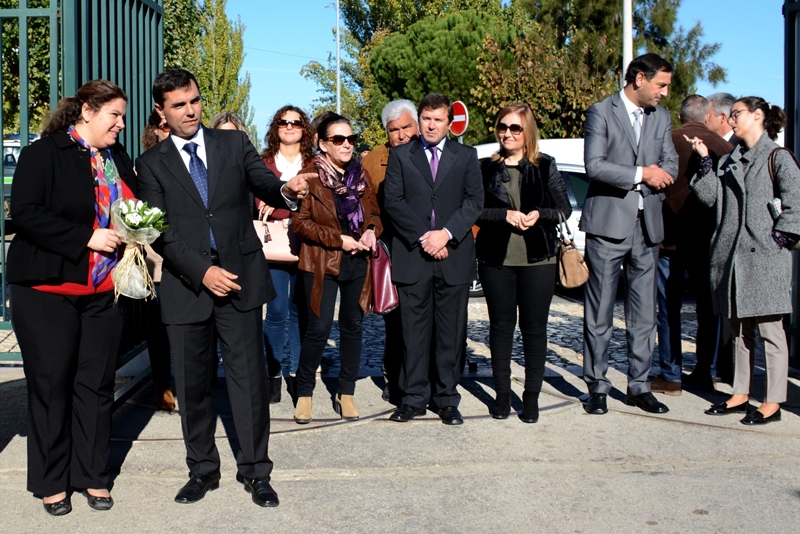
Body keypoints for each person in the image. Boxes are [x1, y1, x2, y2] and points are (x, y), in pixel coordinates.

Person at [136, 69, 310, 508]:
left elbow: (264, 183)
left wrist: (287, 190)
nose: (191, 110)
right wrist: (202, 272)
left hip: (240, 280)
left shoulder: (232, 144)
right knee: (192, 386)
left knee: (249, 381)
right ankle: (202, 470)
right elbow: (158, 230)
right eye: (179, 105)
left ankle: (257, 472)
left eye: (194, 100)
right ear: (162, 111)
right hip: (188, 283)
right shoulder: (151, 163)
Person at [7, 79, 138, 515]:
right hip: (47, 291)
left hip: (104, 291)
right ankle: (51, 481)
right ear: (86, 111)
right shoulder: (43, 153)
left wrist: (139, 231)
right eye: (114, 115)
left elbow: (136, 206)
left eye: (122, 115)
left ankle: (93, 476)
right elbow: (24, 213)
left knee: (96, 385)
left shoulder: (117, 158)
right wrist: (86, 237)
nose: (121, 123)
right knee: (51, 387)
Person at [687, 96, 800, 425]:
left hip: (765, 258)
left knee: (770, 333)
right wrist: (706, 162)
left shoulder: (778, 158)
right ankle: (739, 393)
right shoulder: (728, 159)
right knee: (737, 331)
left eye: (736, 114)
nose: (731, 119)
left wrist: (780, 238)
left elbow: (796, 202)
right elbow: (709, 198)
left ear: (758, 116)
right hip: (731, 258)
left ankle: (773, 402)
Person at [581, 53, 678, 416]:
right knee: (600, 312)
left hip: (647, 228)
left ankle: (639, 385)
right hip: (608, 226)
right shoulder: (601, 112)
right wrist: (642, 174)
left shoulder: (661, 117)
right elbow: (595, 165)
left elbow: (670, 163)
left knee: (644, 315)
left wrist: (657, 174)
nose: (665, 93)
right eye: (661, 85)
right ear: (639, 79)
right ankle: (597, 386)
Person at [383, 93, 483, 425]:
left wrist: (446, 234)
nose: (431, 125)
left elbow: (473, 201)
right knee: (413, 332)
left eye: (438, 119)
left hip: (453, 255)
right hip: (414, 255)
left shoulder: (466, 156)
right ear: (420, 118)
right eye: (426, 118)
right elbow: (393, 202)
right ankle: (413, 397)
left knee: (450, 332)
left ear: (448, 123)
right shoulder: (400, 156)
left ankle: (447, 398)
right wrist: (426, 237)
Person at [476, 103, 571, 423]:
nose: (507, 133)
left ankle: (531, 398)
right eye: (503, 126)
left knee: (534, 330)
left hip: (539, 259)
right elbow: (474, 210)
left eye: (515, 128)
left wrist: (539, 214)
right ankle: (502, 395)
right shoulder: (485, 167)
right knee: (500, 329)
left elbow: (563, 210)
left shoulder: (545, 165)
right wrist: (503, 215)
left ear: (527, 131)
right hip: (496, 259)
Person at [291, 113, 382, 423]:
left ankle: (346, 391)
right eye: (338, 139)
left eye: (351, 139)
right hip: (320, 262)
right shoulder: (310, 176)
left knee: (353, 326)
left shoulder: (361, 175)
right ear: (322, 143)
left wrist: (370, 229)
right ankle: (304, 391)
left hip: (358, 261)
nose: (347, 145)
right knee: (317, 328)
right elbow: (300, 224)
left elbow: (375, 213)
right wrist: (337, 239)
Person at [651, 95, 732, 397]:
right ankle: (704, 371)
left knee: (668, 308)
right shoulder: (724, 147)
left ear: (680, 116)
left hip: (668, 238)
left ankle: (671, 376)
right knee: (708, 310)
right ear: (709, 114)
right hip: (709, 240)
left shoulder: (666, 141)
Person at [361, 98, 419, 404]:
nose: (401, 135)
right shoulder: (374, 160)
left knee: (422, 317)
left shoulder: (430, 150)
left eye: (406, 127)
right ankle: (395, 378)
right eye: (393, 130)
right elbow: (368, 205)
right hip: (391, 245)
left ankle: (424, 378)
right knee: (394, 317)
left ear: (418, 125)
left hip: (427, 244)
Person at [257, 105, 314, 403]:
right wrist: (290, 205)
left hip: (308, 246)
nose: (289, 127)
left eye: (296, 122)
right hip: (274, 246)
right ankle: (273, 374)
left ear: (304, 129)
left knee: (299, 313)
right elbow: (258, 200)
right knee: (277, 312)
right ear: (275, 127)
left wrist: (280, 206)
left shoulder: (315, 164)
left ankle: (297, 376)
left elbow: (319, 204)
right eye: (283, 122)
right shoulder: (264, 164)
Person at [142, 108, 176, 411]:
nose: (165, 130)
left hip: (188, 257)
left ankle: (189, 381)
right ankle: (162, 384)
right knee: (158, 328)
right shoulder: (142, 166)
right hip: (155, 261)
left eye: (169, 126)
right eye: (160, 126)